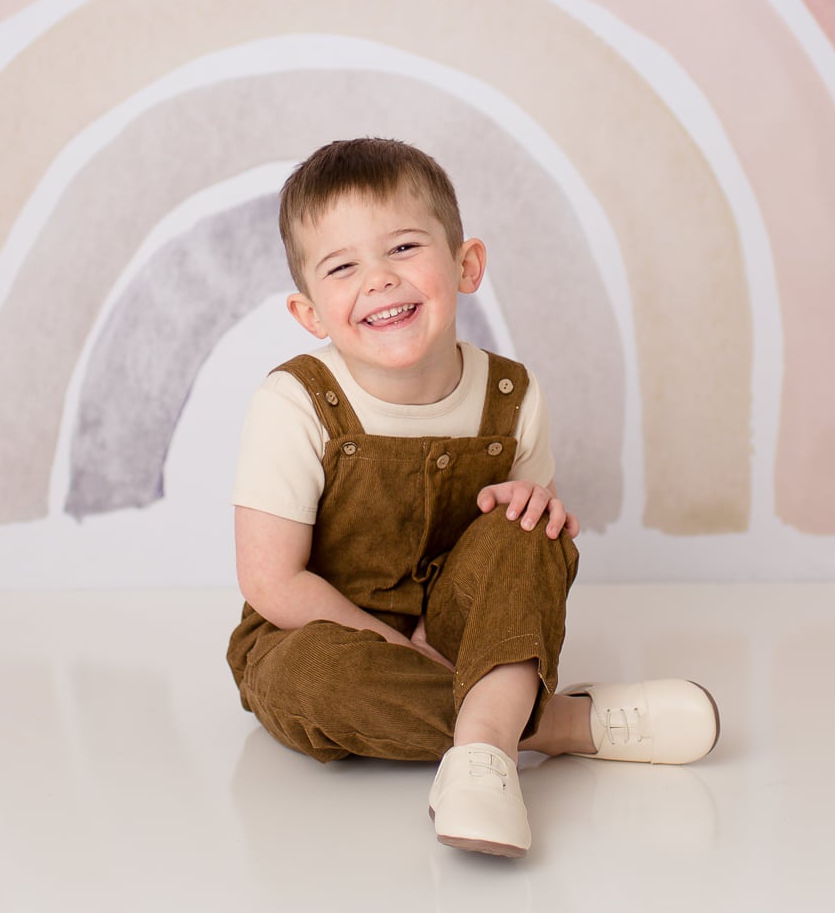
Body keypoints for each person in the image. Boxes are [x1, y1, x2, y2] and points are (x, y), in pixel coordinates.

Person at [226, 136, 720, 858]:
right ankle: (557, 725)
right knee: (313, 679)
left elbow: (516, 574)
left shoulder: (512, 396)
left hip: (462, 629)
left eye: (402, 248)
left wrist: (536, 513)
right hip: (319, 631)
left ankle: (483, 749)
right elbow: (271, 579)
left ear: (466, 265)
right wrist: (403, 649)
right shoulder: (296, 402)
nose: (379, 279)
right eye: (343, 266)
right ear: (310, 313)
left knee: (531, 525)